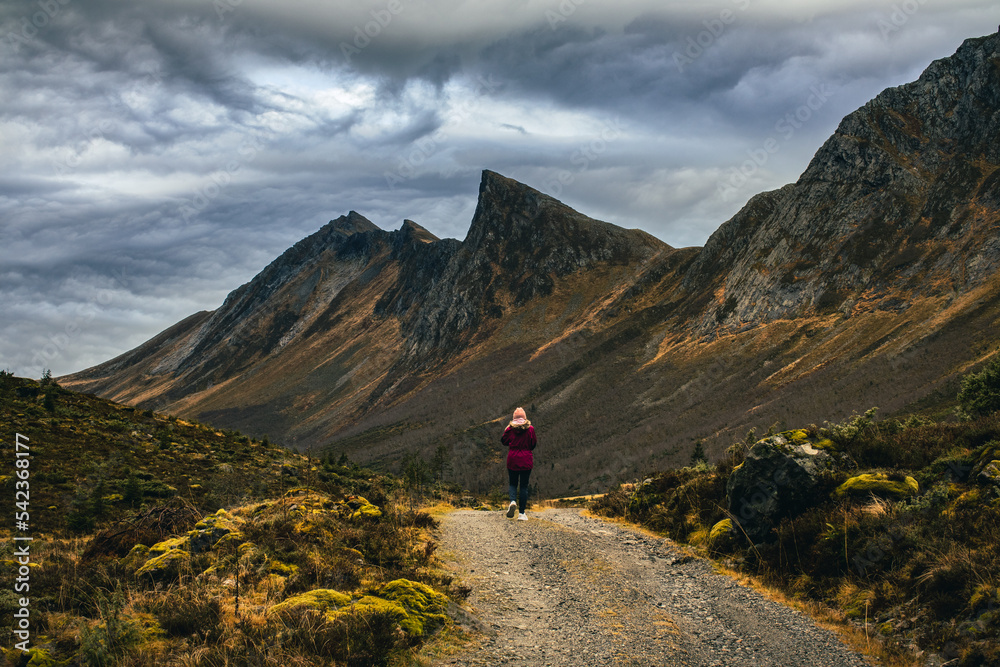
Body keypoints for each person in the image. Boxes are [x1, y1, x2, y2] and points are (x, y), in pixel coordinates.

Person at [502, 407, 536, 520]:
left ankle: (512, 501)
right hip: (526, 460)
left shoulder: (510, 429)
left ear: (513, 418)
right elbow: (533, 444)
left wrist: (507, 429)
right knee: (524, 486)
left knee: (513, 483)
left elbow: (503, 441)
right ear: (525, 417)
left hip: (512, 459)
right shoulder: (530, 429)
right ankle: (521, 513)